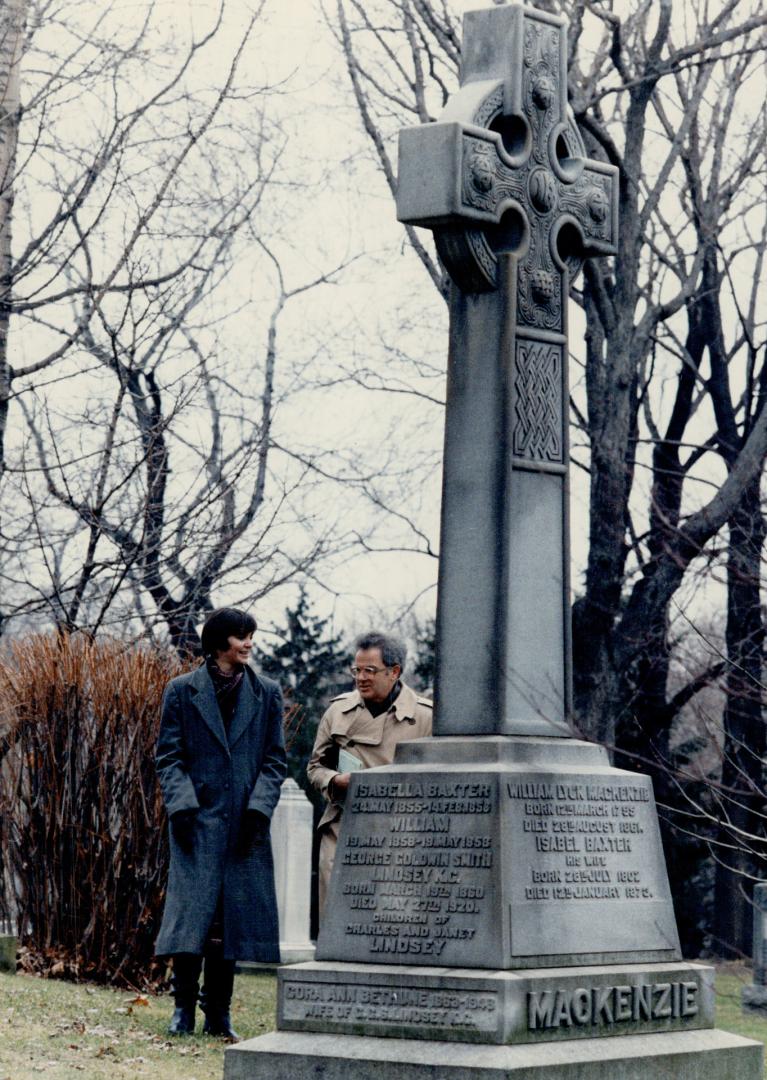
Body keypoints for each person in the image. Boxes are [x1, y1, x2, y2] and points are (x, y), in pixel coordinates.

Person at [155, 607, 287, 1039]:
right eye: (240, 637)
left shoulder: (267, 692)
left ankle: (219, 1013)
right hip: (195, 824)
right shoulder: (180, 691)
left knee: (231, 921)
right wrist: (182, 805)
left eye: (251, 635)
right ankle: (182, 1010)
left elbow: (274, 760)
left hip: (244, 827)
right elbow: (168, 757)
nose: (249, 643)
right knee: (193, 918)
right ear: (218, 644)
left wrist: (259, 809)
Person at [307, 631, 432, 917]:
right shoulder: (339, 711)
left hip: (401, 831)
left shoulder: (427, 717)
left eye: (370, 671)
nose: (361, 677)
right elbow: (315, 768)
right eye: (357, 670)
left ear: (395, 671)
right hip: (344, 823)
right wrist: (334, 780)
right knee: (336, 914)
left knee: (389, 919)